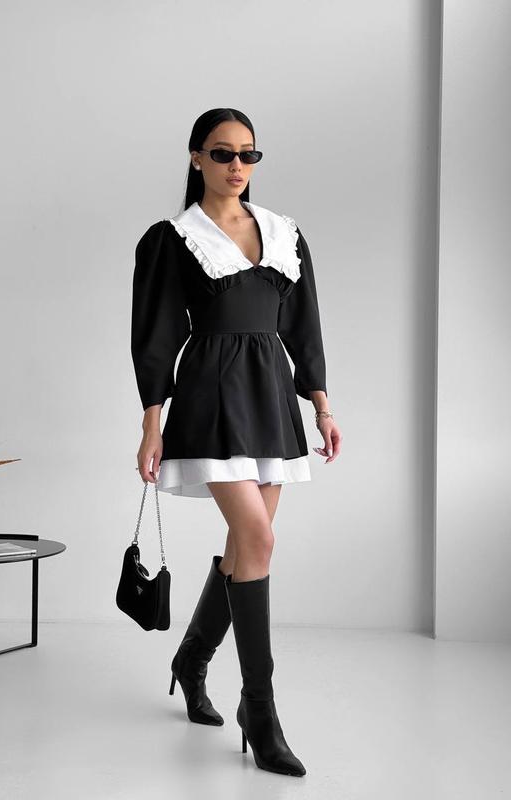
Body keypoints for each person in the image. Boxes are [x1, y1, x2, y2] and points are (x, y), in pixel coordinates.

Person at [130, 108, 342, 777]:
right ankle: (261, 709)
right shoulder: (173, 238)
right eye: (222, 153)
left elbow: (303, 326)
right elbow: (155, 336)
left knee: (247, 547)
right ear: (196, 157)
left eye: (248, 153)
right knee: (260, 539)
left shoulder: (283, 232)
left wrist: (321, 404)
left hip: (271, 396)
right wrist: (151, 422)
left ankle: (191, 660)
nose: (236, 165)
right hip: (210, 396)